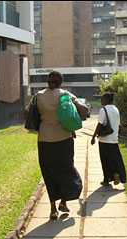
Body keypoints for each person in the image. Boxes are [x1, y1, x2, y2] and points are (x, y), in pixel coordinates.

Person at [30, 71, 86, 220]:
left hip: (44, 140)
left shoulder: (38, 96)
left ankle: (53, 209)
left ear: (48, 81)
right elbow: (83, 110)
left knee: (49, 173)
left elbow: (26, 113)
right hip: (64, 138)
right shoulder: (65, 94)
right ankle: (64, 201)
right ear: (61, 82)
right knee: (66, 170)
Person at [91, 93, 127, 186]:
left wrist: (94, 136)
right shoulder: (116, 109)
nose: (101, 101)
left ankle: (107, 179)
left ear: (107, 100)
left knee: (105, 160)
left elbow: (100, 124)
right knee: (116, 159)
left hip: (104, 139)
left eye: (102, 99)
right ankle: (119, 174)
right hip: (114, 138)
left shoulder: (104, 109)